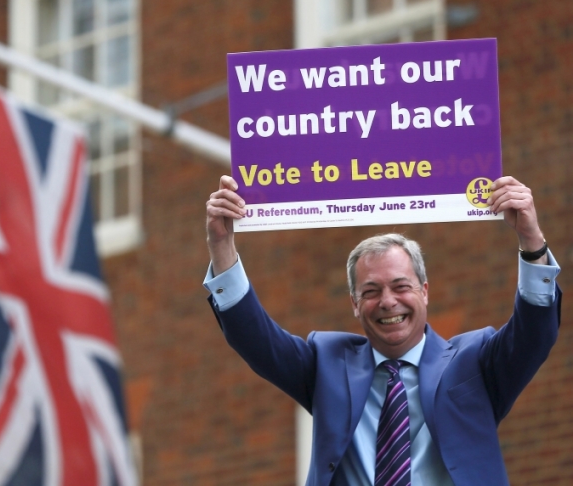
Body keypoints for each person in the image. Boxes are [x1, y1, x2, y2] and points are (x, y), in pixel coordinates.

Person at [203, 175, 561, 486]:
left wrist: (531, 241)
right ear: (355, 304)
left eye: (401, 286)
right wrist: (221, 245)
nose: (388, 302)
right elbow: (255, 339)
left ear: (424, 291)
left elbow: (534, 334)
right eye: (371, 292)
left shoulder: (477, 363)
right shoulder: (325, 363)